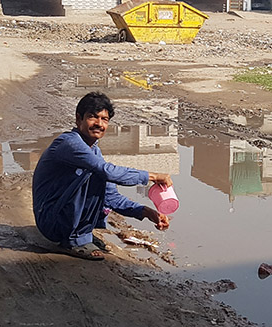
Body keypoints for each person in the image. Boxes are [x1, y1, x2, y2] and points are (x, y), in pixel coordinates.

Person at [33, 92, 172, 260]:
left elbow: (111, 197)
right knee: (99, 174)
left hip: (57, 216)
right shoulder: (70, 143)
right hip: (50, 220)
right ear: (79, 119)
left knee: (99, 177)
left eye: (104, 119)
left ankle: (80, 234)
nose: (99, 124)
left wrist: (147, 212)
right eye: (93, 117)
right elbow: (107, 171)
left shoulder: (93, 150)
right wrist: (154, 176)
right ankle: (74, 240)